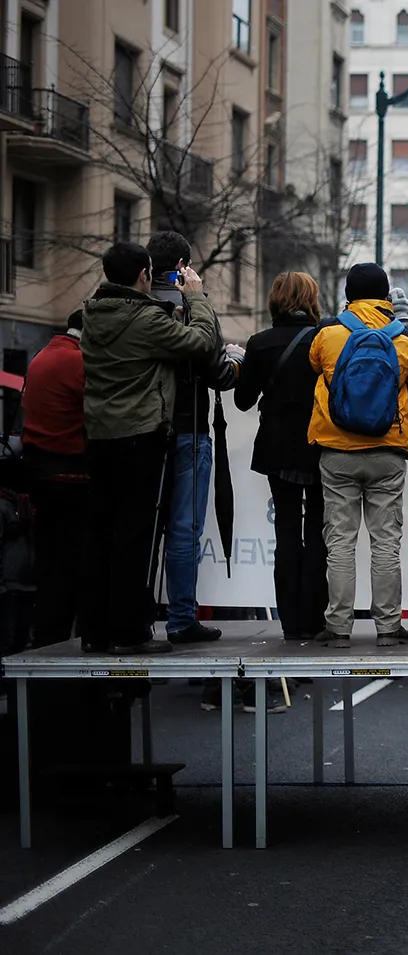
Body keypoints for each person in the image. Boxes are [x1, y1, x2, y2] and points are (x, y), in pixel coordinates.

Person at [80, 242, 220, 654]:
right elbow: (202, 342)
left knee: (101, 533)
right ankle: (130, 632)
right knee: (134, 535)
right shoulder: (144, 318)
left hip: (99, 435)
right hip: (140, 436)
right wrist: (195, 298)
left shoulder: (93, 313)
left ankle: (95, 631)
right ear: (144, 273)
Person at [309, 263, 408, 648]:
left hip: (337, 449)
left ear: (348, 295)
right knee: (385, 541)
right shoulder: (402, 340)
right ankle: (388, 626)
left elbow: (314, 364)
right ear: (386, 296)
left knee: (340, 541)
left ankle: (338, 627)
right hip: (386, 451)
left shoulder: (328, 334)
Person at [146, 231, 243, 644]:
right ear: (183, 266)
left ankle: (135, 617)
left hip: (141, 434)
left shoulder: (137, 306)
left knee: (143, 526)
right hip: (188, 430)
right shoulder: (192, 308)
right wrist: (235, 359)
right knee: (183, 531)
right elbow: (219, 373)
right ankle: (181, 618)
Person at [234, 272, 327, 642]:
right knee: (319, 531)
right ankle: (314, 618)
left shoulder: (260, 343)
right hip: (320, 445)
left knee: (286, 530)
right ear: (311, 300)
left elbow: (243, 400)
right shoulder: (325, 339)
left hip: (277, 448)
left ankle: (290, 621)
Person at [21, 311, 89, 648]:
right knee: (71, 563)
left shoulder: (41, 356)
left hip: (39, 473)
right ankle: (60, 636)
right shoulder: (77, 362)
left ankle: (46, 635)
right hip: (70, 474)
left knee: (49, 561)